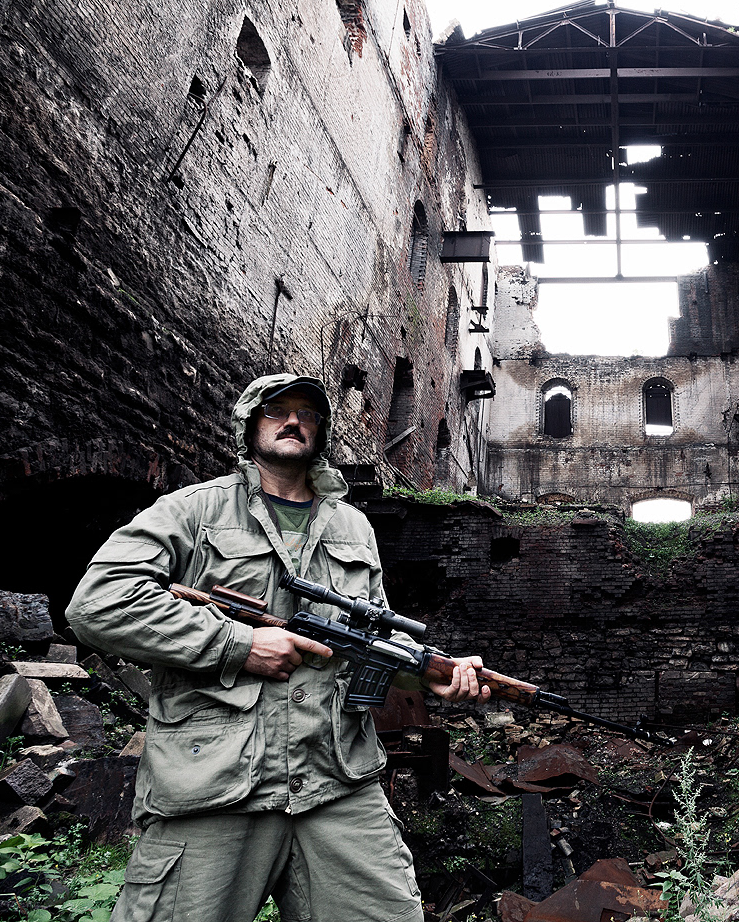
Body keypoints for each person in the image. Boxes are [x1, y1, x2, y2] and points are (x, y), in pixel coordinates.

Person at [66, 373, 489, 922]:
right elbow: (97, 602)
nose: (293, 421)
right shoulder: (195, 510)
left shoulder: (354, 526)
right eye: (277, 411)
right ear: (249, 425)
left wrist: (427, 670)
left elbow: (371, 638)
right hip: (216, 783)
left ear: (322, 432)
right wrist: (236, 644)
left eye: (307, 414)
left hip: (337, 783)